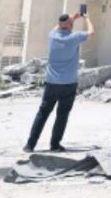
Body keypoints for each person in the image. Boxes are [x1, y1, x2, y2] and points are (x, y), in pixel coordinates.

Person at [23, 10, 94, 152]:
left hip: (51, 83)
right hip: (68, 83)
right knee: (62, 116)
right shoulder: (75, 37)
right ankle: (55, 145)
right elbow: (91, 32)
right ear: (70, 25)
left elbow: (58, 27)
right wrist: (87, 18)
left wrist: (71, 18)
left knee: (42, 114)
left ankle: (30, 145)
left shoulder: (52, 36)